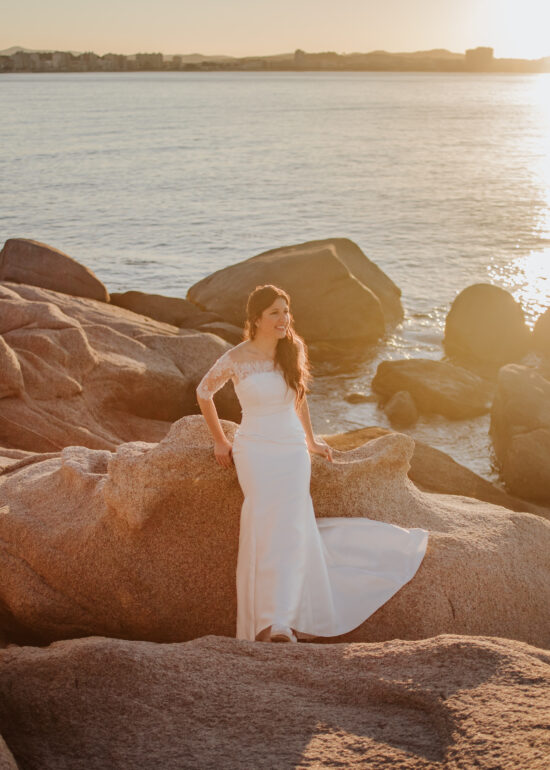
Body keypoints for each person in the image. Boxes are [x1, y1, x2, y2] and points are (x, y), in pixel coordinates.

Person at [196, 284, 429, 644]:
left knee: (289, 525)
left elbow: (299, 399)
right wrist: (219, 440)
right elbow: (203, 392)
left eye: (286, 312)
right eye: (274, 313)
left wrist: (311, 440)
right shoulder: (236, 358)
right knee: (263, 520)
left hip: (290, 448)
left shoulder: (293, 350)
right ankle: (267, 613)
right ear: (256, 318)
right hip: (254, 448)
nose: (283, 319)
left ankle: (280, 622)